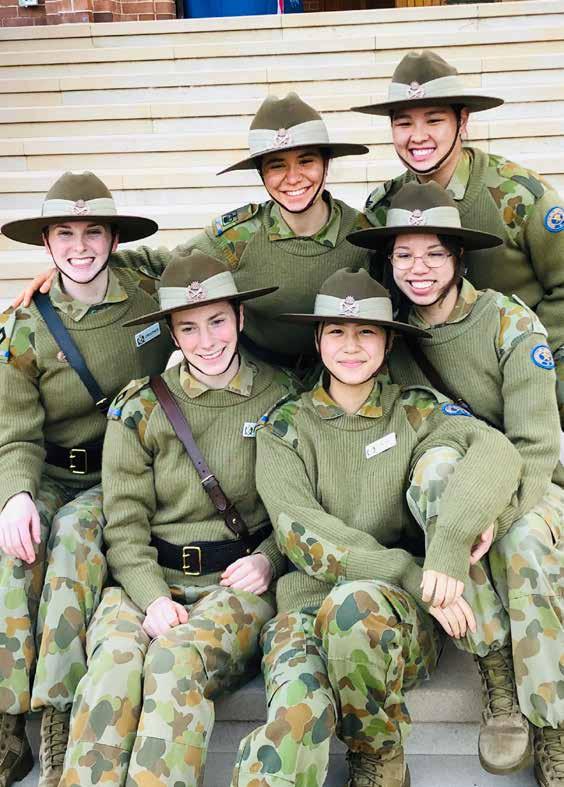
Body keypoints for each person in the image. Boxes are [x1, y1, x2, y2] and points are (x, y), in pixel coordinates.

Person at [230, 267, 525, 787]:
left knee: (354, 606)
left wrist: (453, 538)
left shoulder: (414, 410)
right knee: (290, 726)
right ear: (318, 340)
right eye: (337, 332)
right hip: (304, 611)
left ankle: (380, 758)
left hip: (397, 618)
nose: (351, 346)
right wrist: (407, 570)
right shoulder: (284, 426)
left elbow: (496, 449)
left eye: (366, 331)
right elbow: (299, 533)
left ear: (388, 343)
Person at [348, 180, 564, 787]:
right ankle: (497, 672)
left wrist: (496, 513)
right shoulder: (386, 334)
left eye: (433, 254)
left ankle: (552, 721)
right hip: (442, 489)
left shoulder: (507, 322)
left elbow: (536, 446)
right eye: (403, 255)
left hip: (525, 484)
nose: (417, 269)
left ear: (459, 257)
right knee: (439, 476)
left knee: (522, 541)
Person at [59, 251, 295, 787]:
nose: (206, 341)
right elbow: (124, 523)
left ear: (240, 317)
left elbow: (300, 505)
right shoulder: (140, 408)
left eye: (217, 321)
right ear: (171, 332)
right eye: (188, 328)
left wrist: (269, 559)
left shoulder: (282, 397)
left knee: (172, 663)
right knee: (115, 665)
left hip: (235, 585)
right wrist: (151, 597)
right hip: (148, 579)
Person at [0, 171, 173, 787]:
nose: (80, 247)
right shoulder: (24, 325)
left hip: (120, 471)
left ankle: (57, 713)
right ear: (47, 243)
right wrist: (17, 495)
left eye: (93, 232)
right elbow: (15, 431)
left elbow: (204, 264)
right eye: (65, 234)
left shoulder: (149, 292)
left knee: (74, 537)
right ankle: (7, 723)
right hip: (51, 468)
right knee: (15, 550)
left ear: (113, 239)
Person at [15, 92, 374, 374]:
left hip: (343, 373)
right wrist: (72, 267)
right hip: (260, 376)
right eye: (276, 165)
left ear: (327, 163)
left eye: (306, 161)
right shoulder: (238, 236)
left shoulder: (362, 234)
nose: (293, 178)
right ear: (261, 174)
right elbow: (164, 264)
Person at [354, 50, 564, 426]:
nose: (418, 136)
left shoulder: (517, 195)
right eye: (404, 123)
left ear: (462, 121)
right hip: (435, 382)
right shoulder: (385, 207)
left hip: (532, 363)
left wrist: (524, 354)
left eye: (434, 120)